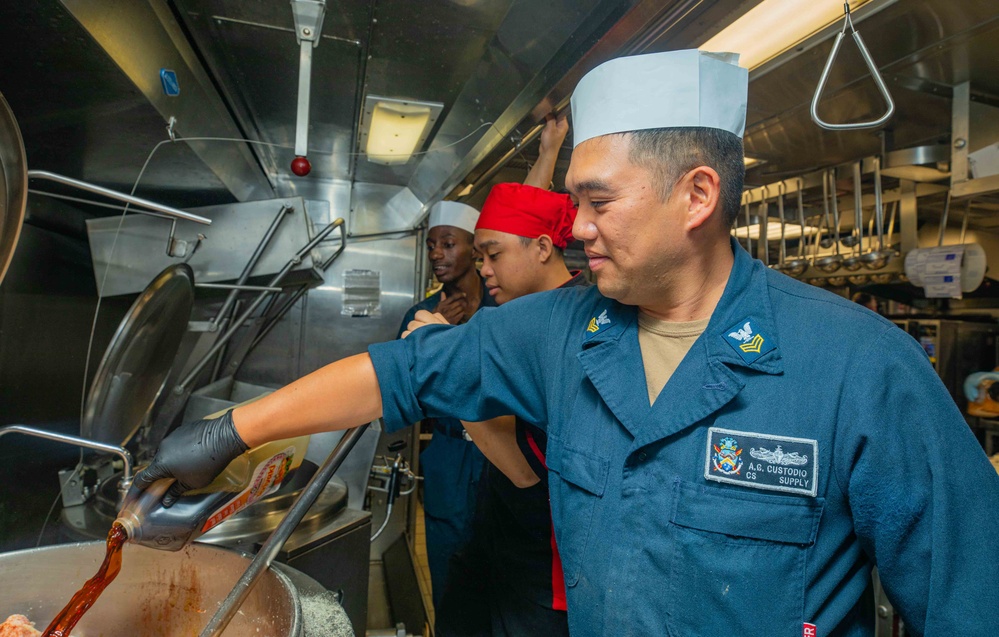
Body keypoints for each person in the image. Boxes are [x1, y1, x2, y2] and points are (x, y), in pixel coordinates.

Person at [134, 50, 999, 636]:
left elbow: (972, 601)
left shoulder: (856, 366)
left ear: (696, 195)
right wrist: (228, 435)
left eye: (599, 200)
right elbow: (397, 373)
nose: (574, 226)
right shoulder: (561, 333)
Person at [433, 176, 584, 637]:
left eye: (493, 255)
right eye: (480, 258)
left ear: (542, 248)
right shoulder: (512, 319)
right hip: (500, 537)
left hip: (547, 563)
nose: (484, 270)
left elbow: (525, 469)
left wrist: (444, 364)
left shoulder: (576, 323)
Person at [394, 199, 493, 609]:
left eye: (448, 244)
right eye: (432, 245)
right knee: (449, 585)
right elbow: (403, 398)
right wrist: (438, 341)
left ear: (474, 249)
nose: (436, 253)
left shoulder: (504, 306)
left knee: (502, 579)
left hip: (499, 454)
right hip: (449, 455)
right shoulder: (420, 316)